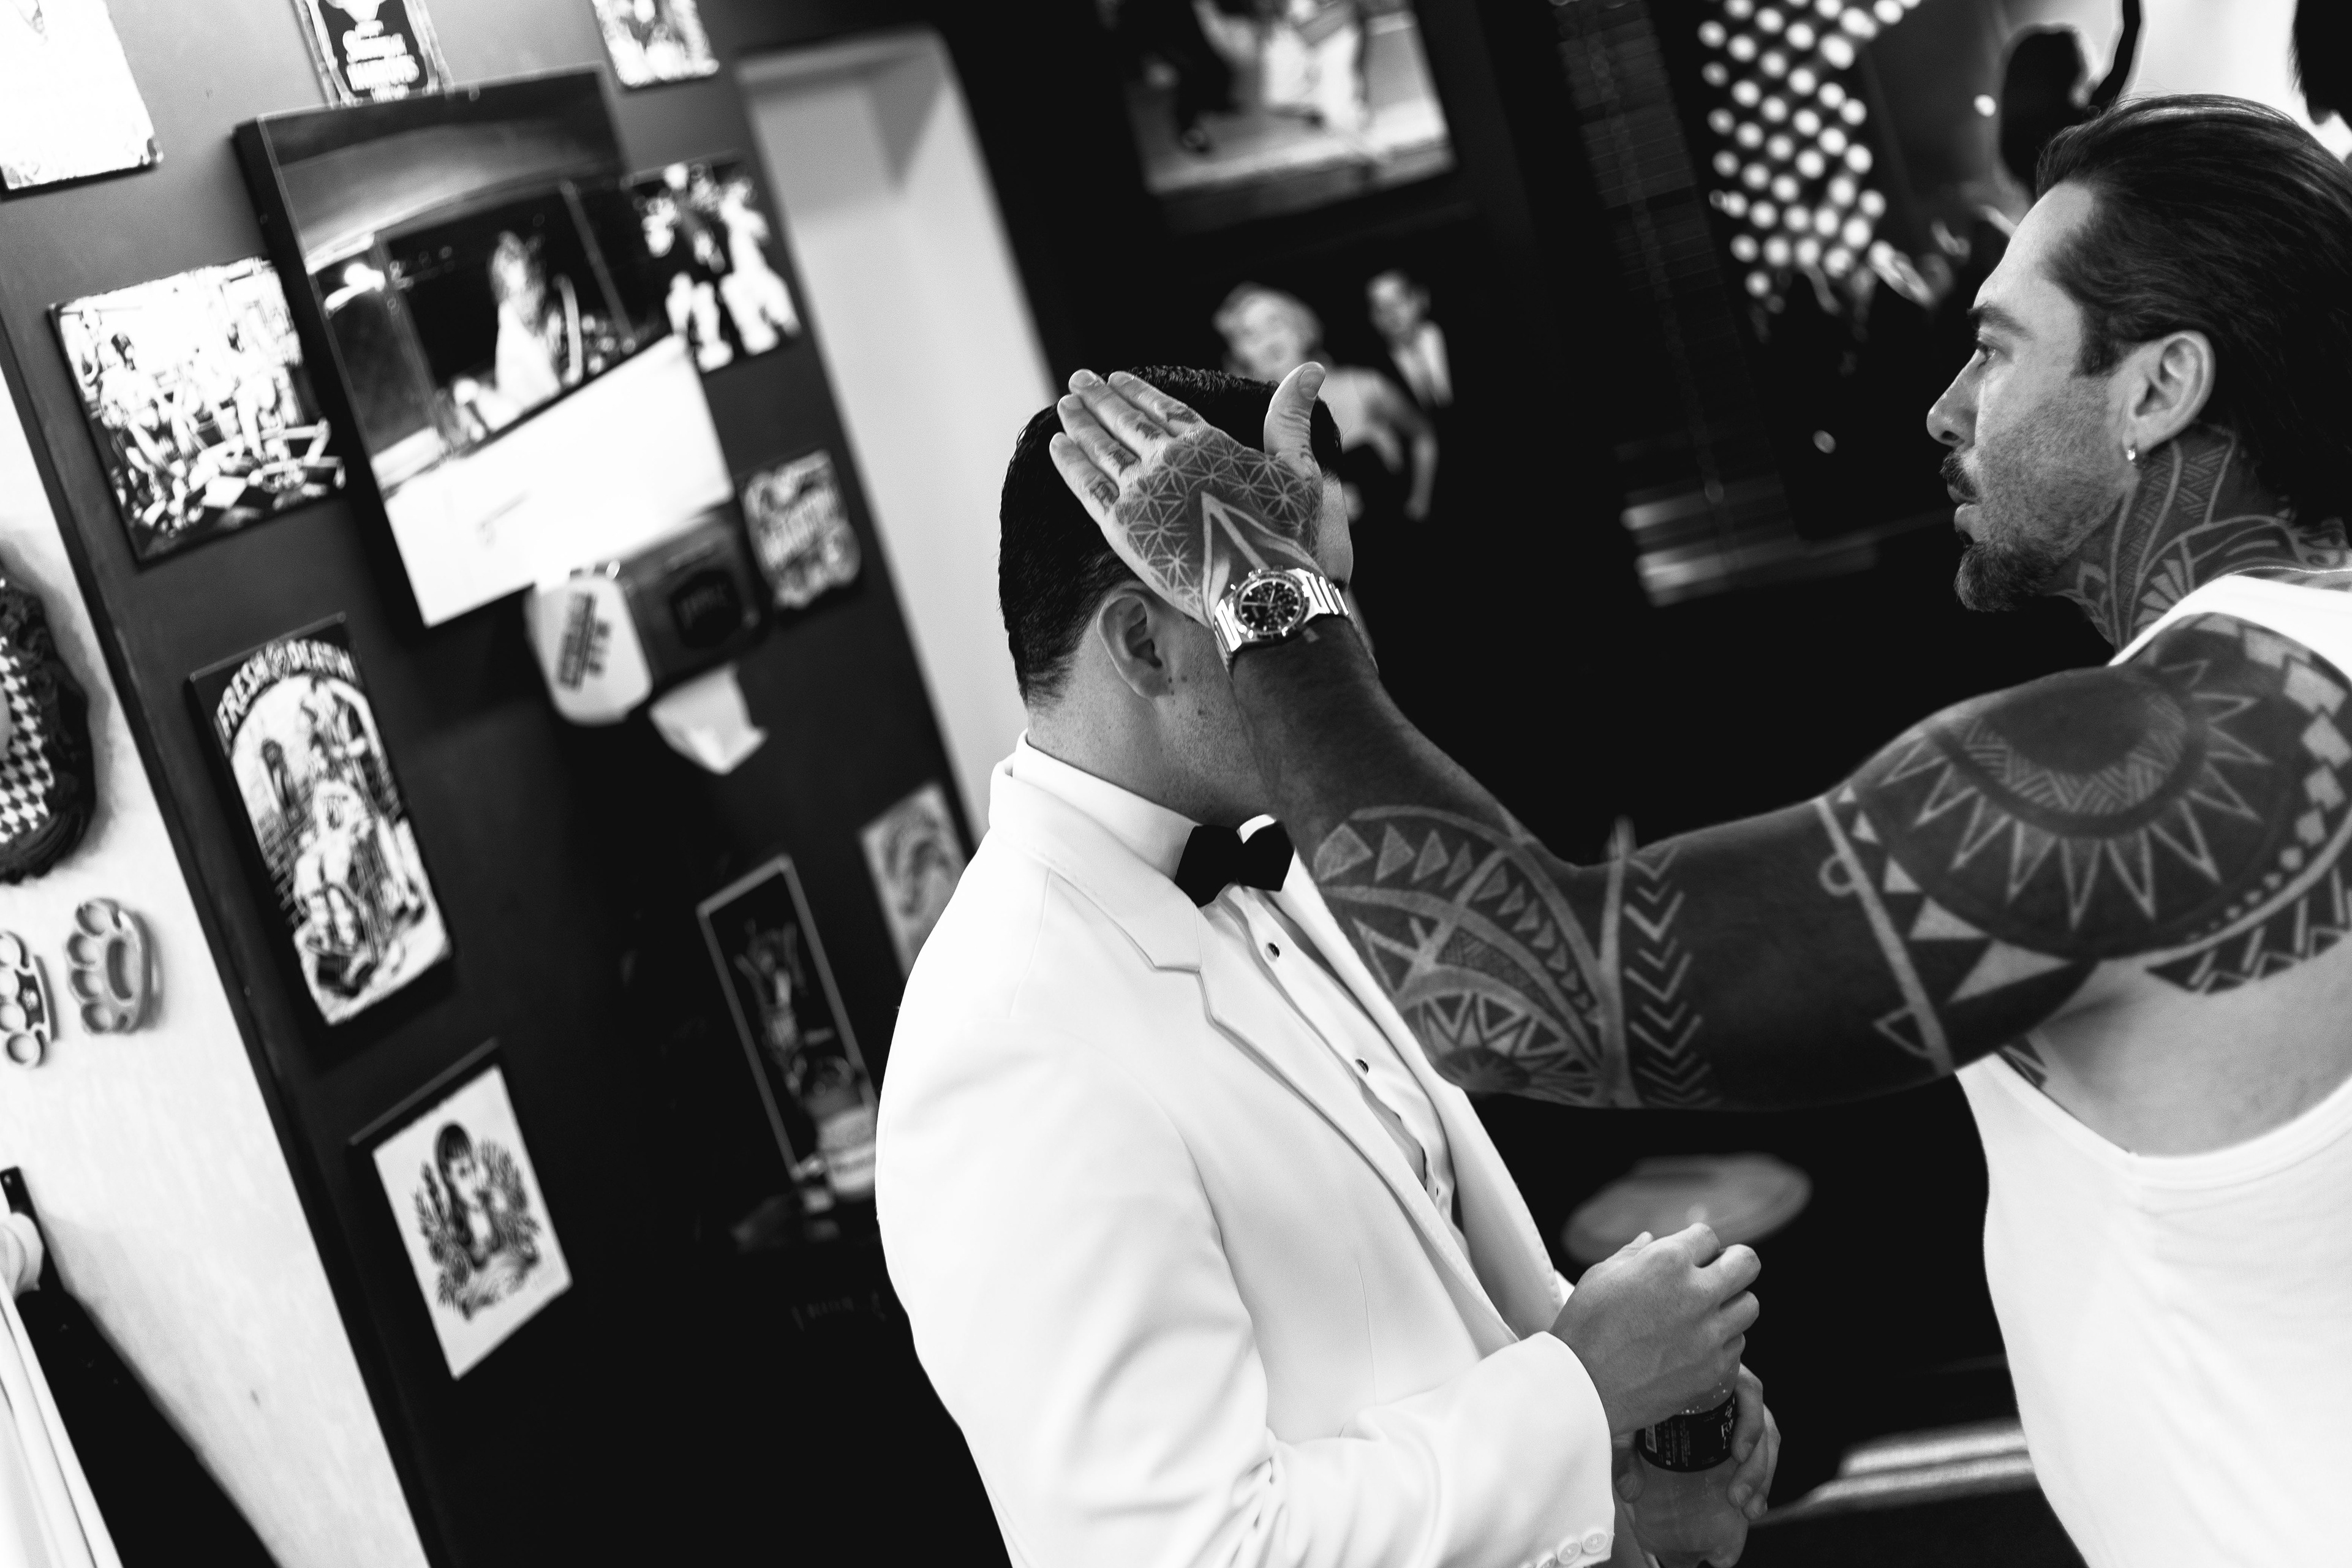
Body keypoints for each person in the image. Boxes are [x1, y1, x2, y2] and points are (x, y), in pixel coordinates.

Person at [1049, 97, 2352, 1568]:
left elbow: (1512, 994)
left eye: (1996, 348)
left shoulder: (2140, 763)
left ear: (2159, 385)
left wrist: (1262, 589)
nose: (1942, 408)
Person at [877, 366, 1780, 1568]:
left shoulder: (1291, 857)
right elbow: (1193, 1551)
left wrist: (1637, 1432)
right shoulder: (1008, 1039)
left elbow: (1422, 1311)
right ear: (1144, 643)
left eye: (1338, 595)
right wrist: (1584, 1387)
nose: (1348, 652)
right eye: (1288, 602)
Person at [1217, 284, 1436, 525]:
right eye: (1251, 335)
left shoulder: (1362, 386)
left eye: (1275, 323)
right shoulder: (1244, 430)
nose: (1268, 341)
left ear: (1300, 328)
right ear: (1238, 353)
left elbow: (1424, 436)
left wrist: (1419, 505)